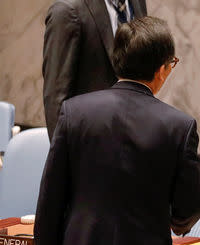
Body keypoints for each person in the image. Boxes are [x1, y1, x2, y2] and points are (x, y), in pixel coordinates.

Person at [34, 16, 200, 245]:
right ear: (162, 69)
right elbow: (190, 205)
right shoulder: (179, 126)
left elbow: (52, 194)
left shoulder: (74, 112)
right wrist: (176, 223)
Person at [43, 0, 147, 140]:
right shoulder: (67, 11)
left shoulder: (137, 2)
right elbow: (56, 100)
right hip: (89, 144)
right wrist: (65, 159)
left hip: (134, 138)